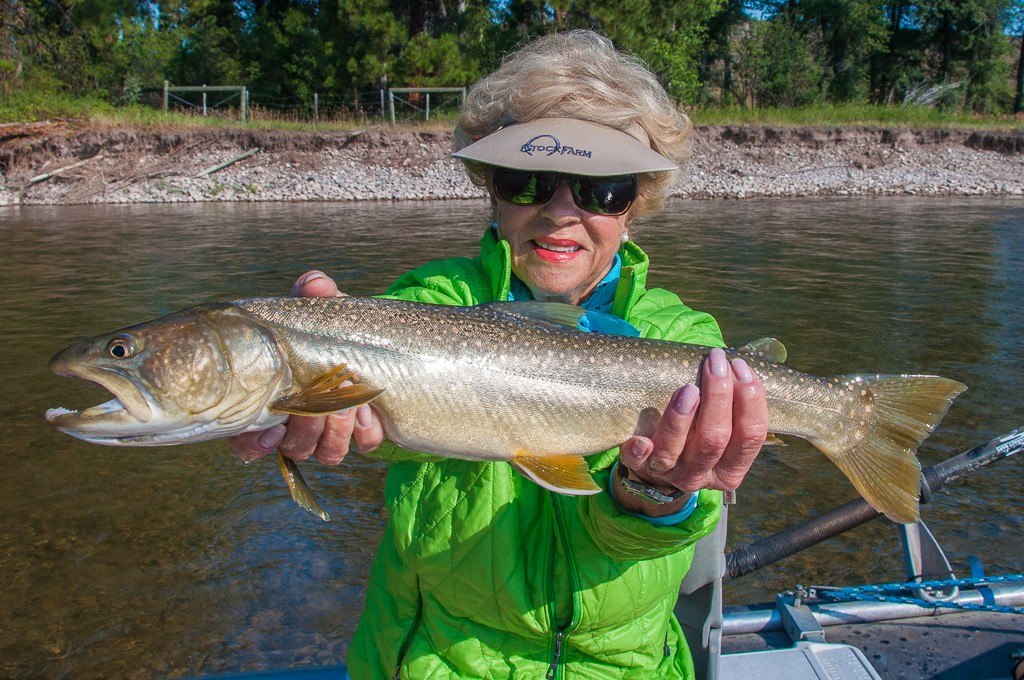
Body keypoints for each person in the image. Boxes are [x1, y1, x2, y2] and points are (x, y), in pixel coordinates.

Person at [231, 30, 768, 679]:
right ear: (490, 188)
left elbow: (676, 527)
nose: (561, 212)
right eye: (527, 181)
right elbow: (385, 422)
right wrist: (300, 389)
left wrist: (651, 491)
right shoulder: (427, 302)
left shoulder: (686, 341)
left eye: (602, 189)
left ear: (637, 205)